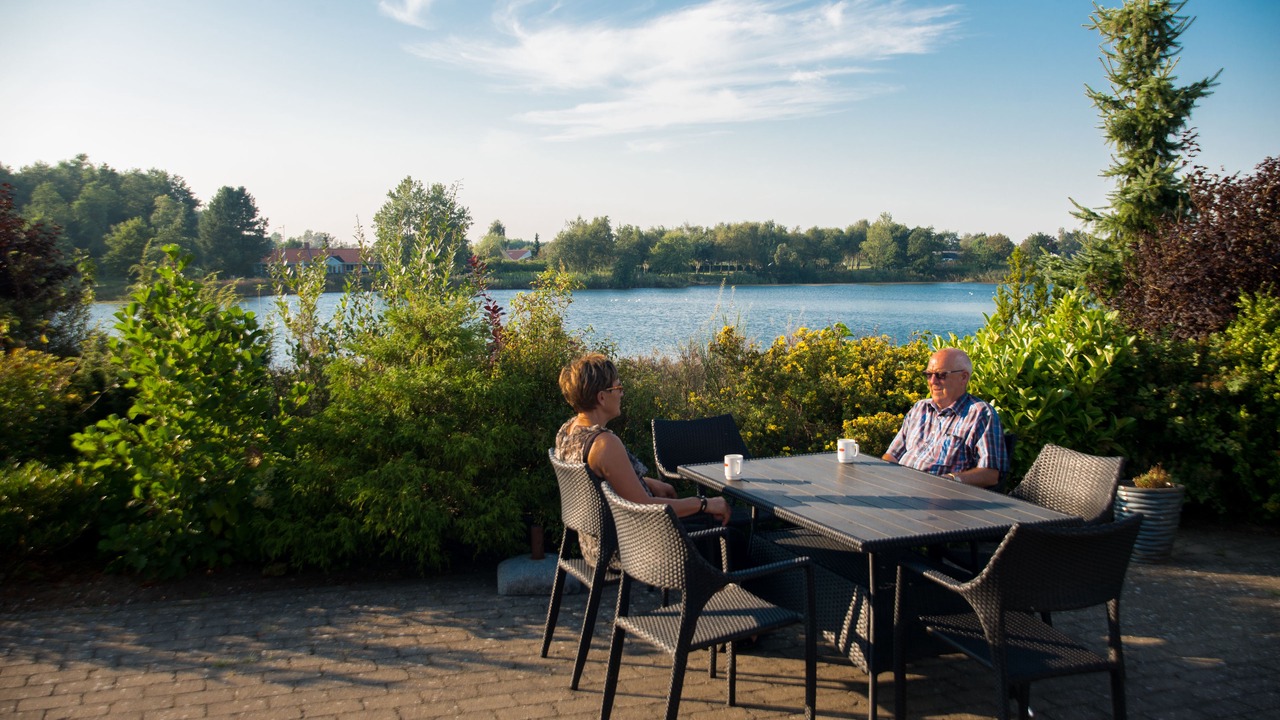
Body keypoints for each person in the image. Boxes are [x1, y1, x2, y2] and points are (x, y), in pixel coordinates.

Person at [555, 353, 732, 534]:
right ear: (602, 397)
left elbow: (602, 482)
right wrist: (704, 503)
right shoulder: (604, 444)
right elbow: (643, 506)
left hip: (600, 545)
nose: (622, 393)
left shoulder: (568, 431)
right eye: (618, 387)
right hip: (634, 549)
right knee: (732, 536)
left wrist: (646, 482)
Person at [881, 347, 1008, 488]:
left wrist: (951, 480)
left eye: (941, 375)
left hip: (940, 498)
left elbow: (990, 474)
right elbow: (891, 455)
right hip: (901, 489)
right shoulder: (920, 408)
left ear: (963, 377)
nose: (933, 381)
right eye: (928, 375)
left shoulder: (980, 414)